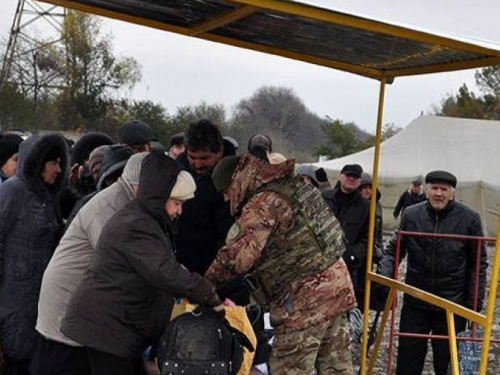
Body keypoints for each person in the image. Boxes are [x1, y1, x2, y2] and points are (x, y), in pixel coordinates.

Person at [60, 151, 221, 375]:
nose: (179, 211)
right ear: (159, 197)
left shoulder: (148, 220)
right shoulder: (135, 225)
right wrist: (205, 292)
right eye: (176, 203)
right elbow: (163, 271)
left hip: (120, 329)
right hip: (106, 329)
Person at [206, 154, 356, 375]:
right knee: (337, 368)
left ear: (237, 181)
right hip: (337, 290)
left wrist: (204, 283)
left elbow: (237, 257)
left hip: (305, 301)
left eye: (226, 192)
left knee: (288, 369)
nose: (227, 199)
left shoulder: (264, 202)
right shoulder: (294, 185)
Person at [33, 152, 148, 375]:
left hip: (79, 317)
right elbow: (123, 266)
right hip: (66, 321)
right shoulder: (110, 207)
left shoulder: (126, 201)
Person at [378, 170, 488, 375]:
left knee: (447, 363)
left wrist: (474, 303)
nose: (439, 193)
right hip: (415, 300)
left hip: (452, 304)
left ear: (452, 193)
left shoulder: (469, 218)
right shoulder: (411, 214)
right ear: (426, 191)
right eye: (434, 188)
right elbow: (394, 250)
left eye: (444, 189)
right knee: (408, 361)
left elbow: (478, 263)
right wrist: (385, 278)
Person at [0, 133, 68, 375]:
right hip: (13, 301)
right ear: (38, 163)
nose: (59, 169)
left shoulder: (48, 198)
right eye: (54, 163)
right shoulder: (12, 192)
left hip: (38, 300)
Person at [176, 120, 246, 303]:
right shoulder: (178, 168)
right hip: (182, 271)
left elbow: (232, 239)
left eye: (205, 158)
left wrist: (215, 282)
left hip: (221, 279)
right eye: (193, 157)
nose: (197, 164)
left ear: (220, 151)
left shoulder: (235, 179)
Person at [322, 164, 370, 308]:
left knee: (346, 308)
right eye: (348, 175)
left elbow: (368, 237)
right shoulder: (325, 197)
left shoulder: (366, 207)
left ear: (359, 181)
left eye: (355, 177)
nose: (351, 179)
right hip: (320, 263)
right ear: (340, 176)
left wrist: (353, 256)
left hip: (348, 266)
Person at [358, 172, 383, 264]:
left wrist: (380, 248)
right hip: (358, 249)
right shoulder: (354, 205)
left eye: (370, 188)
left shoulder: (376, 205)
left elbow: (379, 230)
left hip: (372, 249)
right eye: (364, 188)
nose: (367, 191)